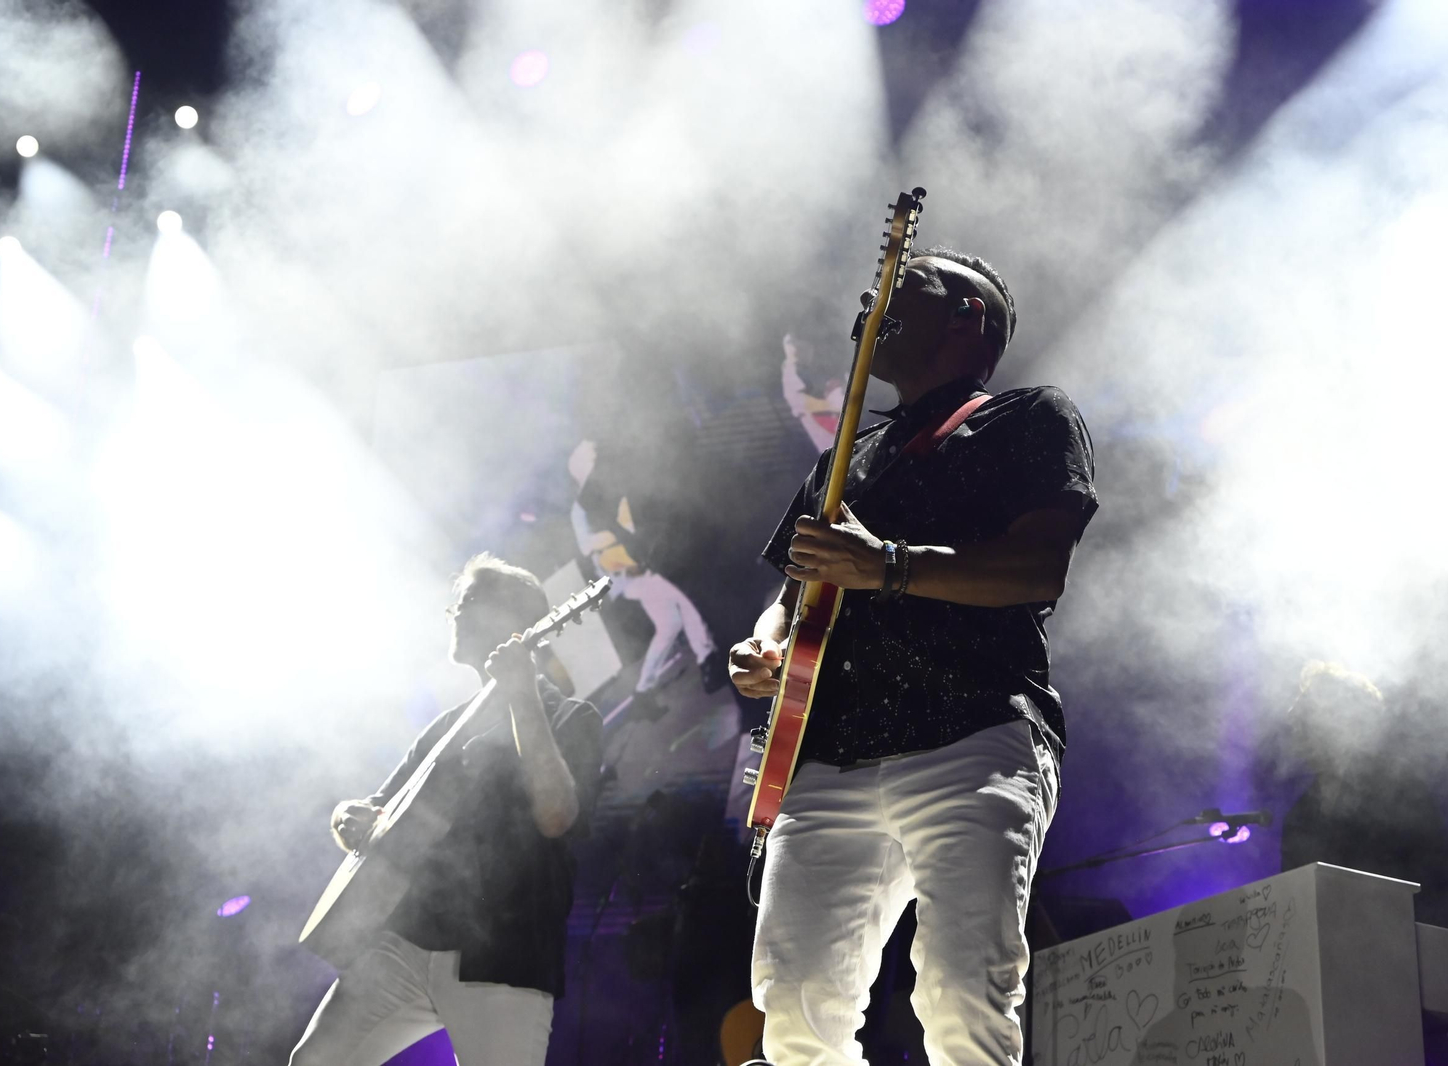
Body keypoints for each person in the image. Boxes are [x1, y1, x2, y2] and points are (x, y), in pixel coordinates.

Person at [728, 247, 1098, 1065]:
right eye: (873, 288)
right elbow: (791, 597)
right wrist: (768, 646)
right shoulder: (841, 462)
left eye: (906, 286)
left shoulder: (1029, 417)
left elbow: (1038, 570)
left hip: (972, 734)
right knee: (792, 1007)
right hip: (827, 756)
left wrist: (886, 563)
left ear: (969, 318)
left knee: (963, 991)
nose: (874, 297)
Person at [289, 554, 603, 1066]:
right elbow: (375, 812)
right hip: (409, 938)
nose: (454, 613)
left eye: (469, 601)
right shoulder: (445, 727)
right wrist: (348, 817)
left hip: (503, 952)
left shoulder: (571, 716)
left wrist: (522, 693)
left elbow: (555, 816)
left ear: (512, 619)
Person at [1276, 661, 1448, 1066]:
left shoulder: (1397, 787)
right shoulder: (1300, 815)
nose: (1292, 720)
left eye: (1305, 710)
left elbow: (1422, 885)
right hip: (1377, 990)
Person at [567, 438, 724, 718]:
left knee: (670, 624)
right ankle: (708, 661)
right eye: (592, 458)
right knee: (682, 600)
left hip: (638, 564)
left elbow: (631, 525)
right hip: (622, 572)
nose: (598, 462)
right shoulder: (580, 509)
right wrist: (617, 534)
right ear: (581, 468)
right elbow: (586, 545)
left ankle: (643, 692)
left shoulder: (612, 491)